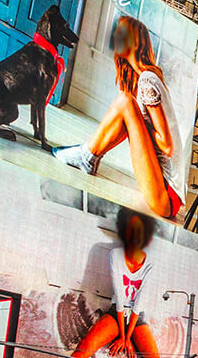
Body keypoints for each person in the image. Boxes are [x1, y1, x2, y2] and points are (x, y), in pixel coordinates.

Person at [9, 208, 180, 358]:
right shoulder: (116, 255)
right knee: (83, 349)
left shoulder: (150, 263)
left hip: (137, 317)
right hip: (116, 312)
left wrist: (127, 338)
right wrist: (120, 332)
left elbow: (139, 303)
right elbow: (119, 295)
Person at [54, 16, 183, 219]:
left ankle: (86, 156)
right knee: (126, 102)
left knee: (125, 101)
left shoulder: (147, 80)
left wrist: (138, 127)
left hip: (166, 196)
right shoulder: (146, 76)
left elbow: (167, 145)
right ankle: (88, 156)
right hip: (165, 192)